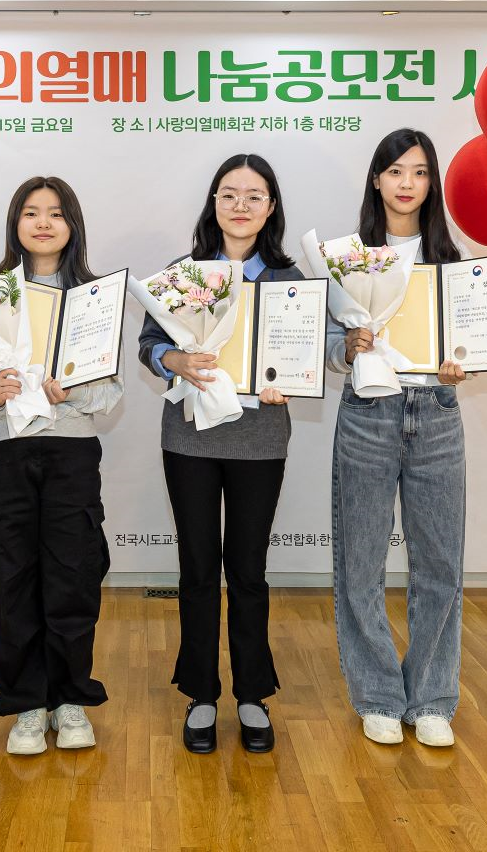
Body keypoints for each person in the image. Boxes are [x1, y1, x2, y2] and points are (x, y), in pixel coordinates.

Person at [0, 176, 123, 756]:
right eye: (31, 212)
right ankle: (26, 702)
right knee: (9, 576)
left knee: (73, 574)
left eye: (55, 213)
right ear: (15, 223)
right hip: (1, 453)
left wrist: (71, 391)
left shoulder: (94, 297)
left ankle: (69, 698)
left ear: (73, 224)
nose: (43, 223)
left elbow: (111, 392)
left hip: (70, 451)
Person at [136, 153, 301, 754]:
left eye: (254, 196)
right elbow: (148, 344)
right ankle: (201, 693)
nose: (240, 206)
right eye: (229, 194)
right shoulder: (184, 274)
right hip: (190, 439)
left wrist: (292, 380)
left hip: (260, 440)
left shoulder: (289, 279)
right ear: (214, 203)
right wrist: (173, 360)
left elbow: (304, 354)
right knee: (199, 569)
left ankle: (252, 694)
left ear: (271, 208)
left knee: (249, 572)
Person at [328, 128, 469, 748]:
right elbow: (325, 348)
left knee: (440, 563)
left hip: (436, 410)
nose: (406, 184)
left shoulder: (453, 260)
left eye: (419, 172)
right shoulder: (347, 258)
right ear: (376, 180)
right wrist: (346, 346)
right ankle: (379, 695)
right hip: (368, 412)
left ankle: (432, 698)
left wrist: (462, 364)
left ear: (431, 182)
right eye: (395, 172)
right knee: (359, 562)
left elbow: (471, 341)